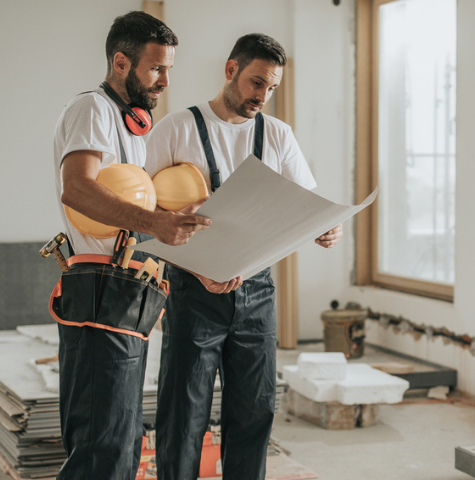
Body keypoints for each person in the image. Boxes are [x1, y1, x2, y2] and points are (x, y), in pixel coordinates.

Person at [145, 33, 342, 480]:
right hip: (193, 291)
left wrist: (325, 226)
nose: (262, 96)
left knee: (254, 414)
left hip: (256, 293)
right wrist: (197, 260)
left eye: (271, 88)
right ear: (231, 70)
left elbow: (303, 201)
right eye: (256, 83)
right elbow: (143, 211)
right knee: (183, 415)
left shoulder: (277, 133)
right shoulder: (176, 128)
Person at [50, 12, 210, 480]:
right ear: (121, 62)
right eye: (156, 68)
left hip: (126, 288)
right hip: (98, 285)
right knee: (101, 444)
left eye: (169, 70)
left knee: (120, 439)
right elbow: (76, 189)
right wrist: (155, 223)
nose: (164, 80)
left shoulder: (130, 125)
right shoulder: (92, 110)